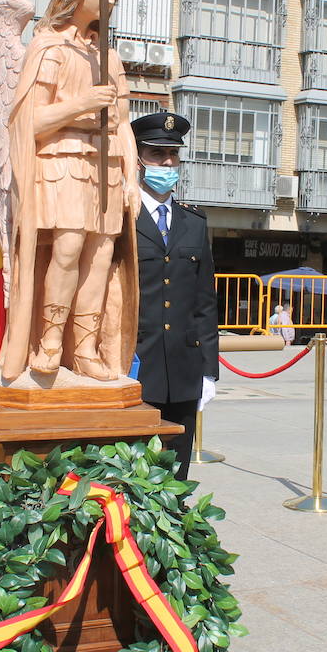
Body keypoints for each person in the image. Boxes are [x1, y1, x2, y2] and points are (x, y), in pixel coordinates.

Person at [0, 0, 139, 384]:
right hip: (63, 161)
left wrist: (132, 177)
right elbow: (30, 122)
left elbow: (125, 124)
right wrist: (82, 103)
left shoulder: (109, 56)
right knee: (68, 249)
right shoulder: (48, 47)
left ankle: (86, 347)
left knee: (99, 258)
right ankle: (50, 341)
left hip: (106, 165)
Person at [131, 111, 219, 481]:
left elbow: (204, 302)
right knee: (131, 475)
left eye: (173, 155)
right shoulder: (121, 216)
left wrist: (209, 371)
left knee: (176, 475)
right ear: (137, 159)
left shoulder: (193, 222)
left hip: (184, 371)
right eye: (157, 154)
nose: (167, 163)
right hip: (134, 366)